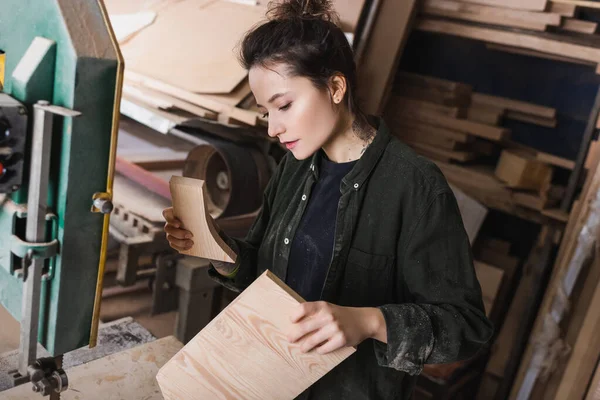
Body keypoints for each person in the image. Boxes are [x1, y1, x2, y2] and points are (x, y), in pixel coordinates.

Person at [163, 0, 494, 398]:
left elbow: (467, 328)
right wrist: (217, 249)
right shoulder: (293, 168)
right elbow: (266, 278)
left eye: (284, 105)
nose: (273, 128)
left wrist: (369, 322)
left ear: (336, 87)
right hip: (265, 381)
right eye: (266, 111)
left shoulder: (416, 186)